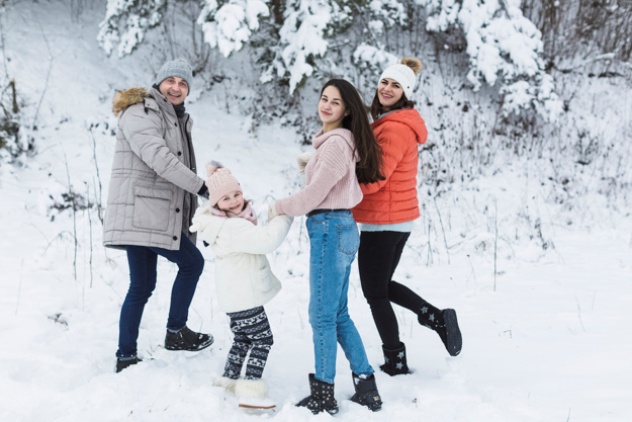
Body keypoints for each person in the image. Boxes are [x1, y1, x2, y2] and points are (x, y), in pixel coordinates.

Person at [272, 79, 384, 415]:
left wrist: (277, 206)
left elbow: (311, 197)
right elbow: (331, 181)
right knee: (337, 313)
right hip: (343, 227)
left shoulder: (335, 144)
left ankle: (323, 393)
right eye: (323, 98)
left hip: (329, 229)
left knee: (321, 316)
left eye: (335, 102)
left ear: (346, 109)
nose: (326, 106)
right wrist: (312, 165)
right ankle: (367, 387)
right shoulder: (340, 142)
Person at [352, 57, 463, 376]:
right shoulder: (391, 122)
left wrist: (341, 190)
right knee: (382, 287)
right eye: (385, 82)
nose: (387, 88)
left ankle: (396, 361)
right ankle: (436, 318)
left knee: (375, 293)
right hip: (393, 219)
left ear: (406, 93)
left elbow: (375, 178)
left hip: (384, 221)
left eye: (396, 85)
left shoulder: (395, 129)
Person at [104, 58, 214, 373]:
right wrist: (202, 188)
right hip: (144, 212)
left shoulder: (174, 117)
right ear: (159, 82)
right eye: (171, 81)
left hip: (145, 210)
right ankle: (176, 331)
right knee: (192, 264)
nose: (176, 88)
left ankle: (126, 356)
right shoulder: (142, 110)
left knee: (141, 284)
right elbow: (159, 158)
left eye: (183, 84)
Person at [190, 166, 292, 409]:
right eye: (226, 198)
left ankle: (228, 379)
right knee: (263, 340)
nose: (234, 201)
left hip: (234, 298)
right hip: (244, 297)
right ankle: (251, 391)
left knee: (243, 339)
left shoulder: (222, 223)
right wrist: (284, 216)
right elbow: (267, 241)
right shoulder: (233, 227)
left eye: (236, 194)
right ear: (217, 203)